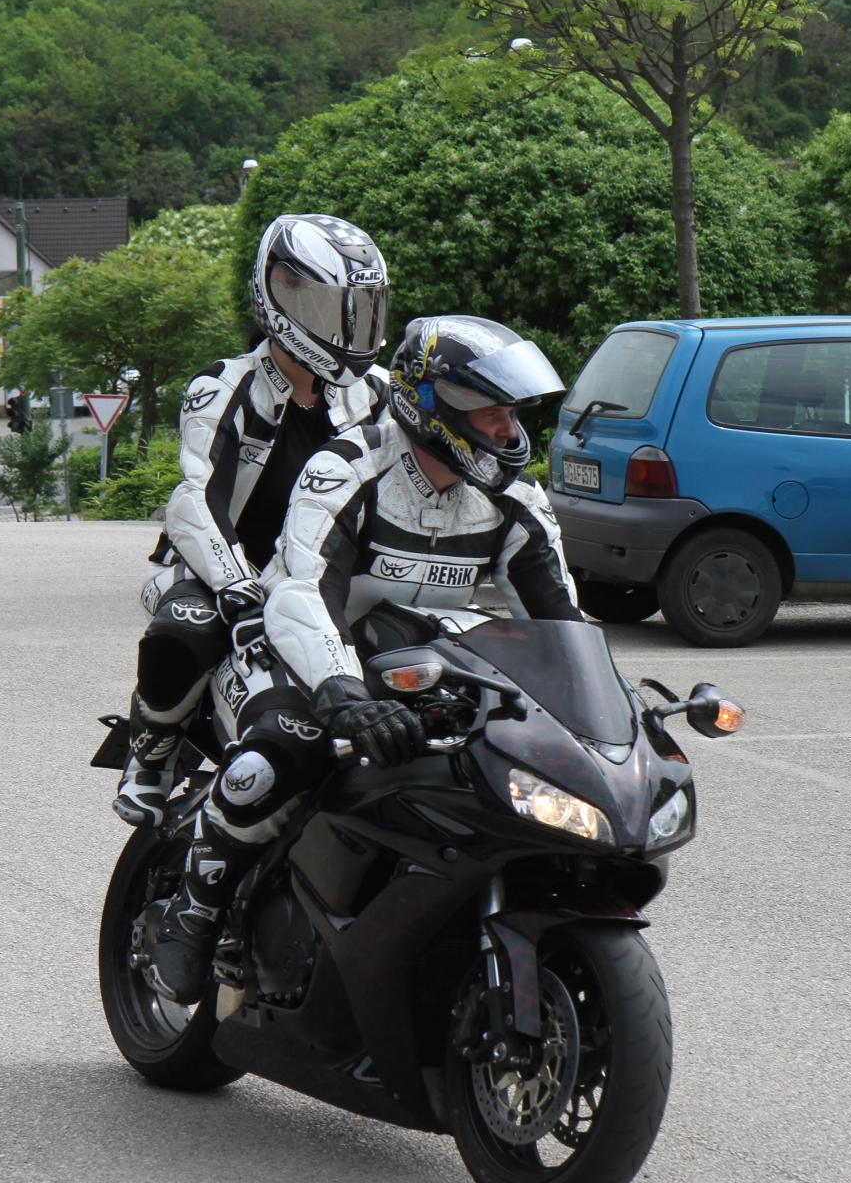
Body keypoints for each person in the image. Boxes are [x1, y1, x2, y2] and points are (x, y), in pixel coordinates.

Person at [143, 315, 585, 1006]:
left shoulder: (515, 500)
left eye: (512, 412)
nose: (508, 431)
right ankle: (193, 909)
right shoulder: (346, 468)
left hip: (415, 664)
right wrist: (342, 694)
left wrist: (607, 712)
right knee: (285, 749)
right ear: (434, 407)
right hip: (299, 653)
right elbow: (302, 592)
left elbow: (562, 625)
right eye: (490, 412)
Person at [113, 214, 393, 826]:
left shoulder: (378, 392)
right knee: (189, 627)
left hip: (315, 572)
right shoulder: (223, 386)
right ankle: (152, 746)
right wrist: (237, 587)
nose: (349, 329)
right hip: (213, 570)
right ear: (278, 296)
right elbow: (195, 500)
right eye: (330, 309)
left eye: (361, 311)